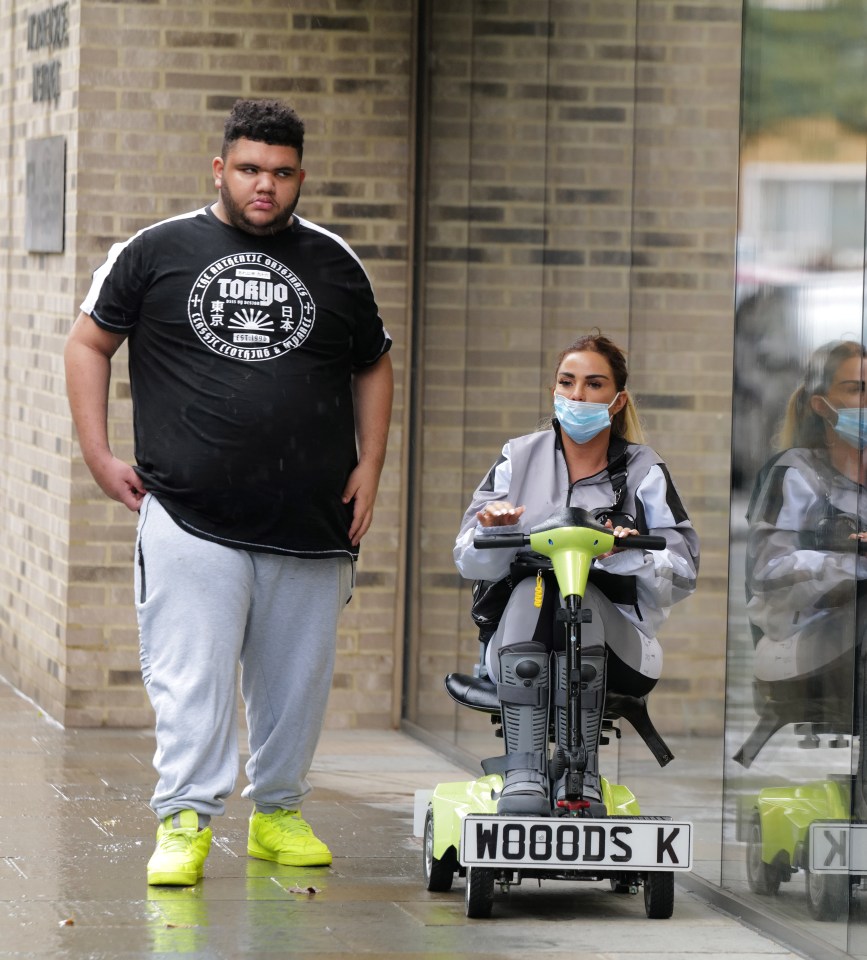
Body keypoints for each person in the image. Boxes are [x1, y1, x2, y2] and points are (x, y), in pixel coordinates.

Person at [64, 99, 393, 885]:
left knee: (295, 683)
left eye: (281, 174)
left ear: (300, 177)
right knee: (193, 679)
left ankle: (278, 812)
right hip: (189, 511)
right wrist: (97, 454)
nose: (264, 186)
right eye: (249, 169)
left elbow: (373, 361)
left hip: (312, 519)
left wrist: (372, 464)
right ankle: (183, 819)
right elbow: (87, 342)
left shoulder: (335, 262)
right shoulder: (155, 251)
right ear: (220, 168)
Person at [454, 333, 699, 815]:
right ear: (554, 390)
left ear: (617, 400)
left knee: (580, 598)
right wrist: (495, 531)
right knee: (535, 585)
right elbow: (466, 555)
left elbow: (684, 569)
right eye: (567, 383)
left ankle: (580, 772)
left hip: (621, 649)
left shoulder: (644, 469)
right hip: (522, 637)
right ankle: (524, 770)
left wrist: (625, 553)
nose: (577, 396)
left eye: (593, 384)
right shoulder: (517, 457)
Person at [743, 340, 867, 772]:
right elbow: (769, 571)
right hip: (800, 639)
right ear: (821, 404)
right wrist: (853, 567)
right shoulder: (796, 471)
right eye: (856, 389)